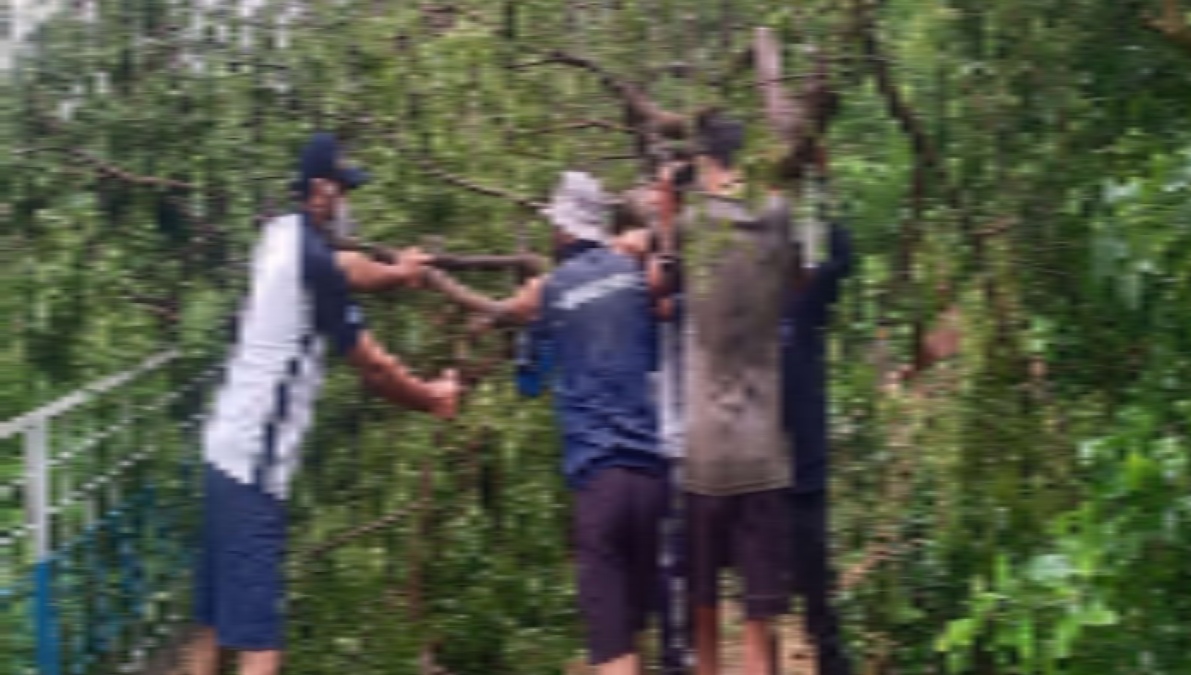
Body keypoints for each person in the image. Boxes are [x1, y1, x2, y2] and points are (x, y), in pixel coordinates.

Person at [186, 132, 462, 675]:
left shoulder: (280, 234)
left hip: (223, 449)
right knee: (261, 643)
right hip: (254, 469)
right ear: (320, 192)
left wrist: (400, 274)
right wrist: (433, 398)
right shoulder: (315, 265)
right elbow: (375, 369)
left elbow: (351, 265)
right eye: (343, 191)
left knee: (216, 618)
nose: (348, 205)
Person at [422, 172, 672, 675]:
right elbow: (652, 346)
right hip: (653, 476)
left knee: (613, 644)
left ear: (562, 229)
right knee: (643, 630)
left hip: (598, 479)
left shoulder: (551, 293)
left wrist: (528, 322)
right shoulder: (635, 275)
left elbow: (530, 382)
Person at [671, 112, 801, 675]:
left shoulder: (694, 224)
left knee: (703, 606)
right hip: (761, 451)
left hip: (703, 455)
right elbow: (801, 272)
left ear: (703, 161)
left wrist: (667, 190)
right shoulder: (775, 220)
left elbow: (664, 258)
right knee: (757, 620)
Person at [781, 220, 855, 675]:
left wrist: (826, 191)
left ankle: (831, 663)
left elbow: (844, 258)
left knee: (815, 589)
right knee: (762, 595)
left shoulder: (806, 307)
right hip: (761, 472)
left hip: (805, 473)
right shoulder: (754, 308)